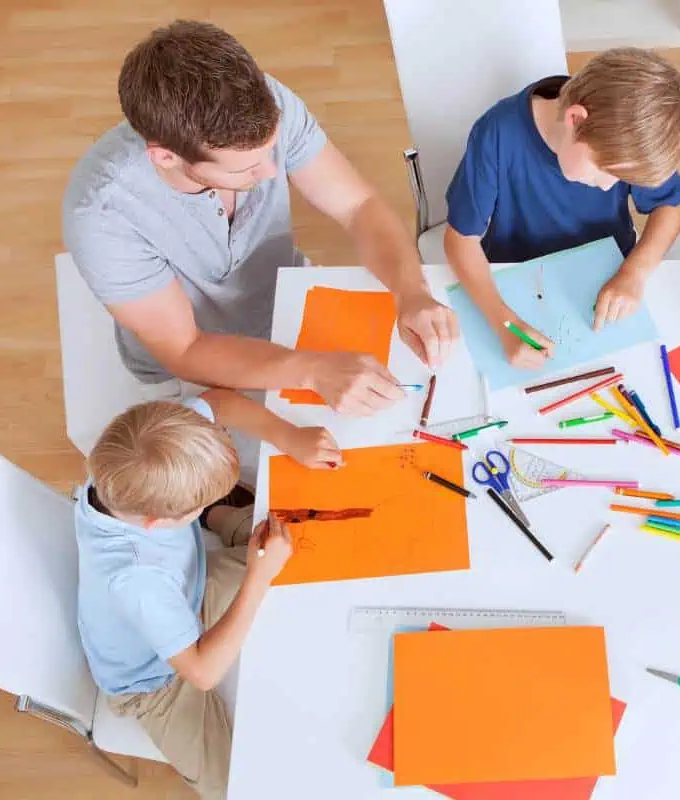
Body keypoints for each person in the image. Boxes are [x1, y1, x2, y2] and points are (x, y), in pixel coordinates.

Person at [63, 20, 459, 417]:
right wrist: (313, 371)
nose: (271, 173)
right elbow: (186, 348)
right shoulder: (103, 213)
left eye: (271, 150)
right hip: (195, 364)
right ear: (166, 156)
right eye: (243, 169)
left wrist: (412, 291)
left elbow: (358, 206)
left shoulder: (270, 103)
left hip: (288, 297)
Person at [76, 390, 340, 798]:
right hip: (156, 682)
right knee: (238, 786)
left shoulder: (127, 459)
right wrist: (257, 577)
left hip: (189, 586)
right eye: (198, 507)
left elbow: (218, 402)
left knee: (307, 549)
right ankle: (228, 524)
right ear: (155, 521)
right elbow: (202, 673)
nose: (197, 509)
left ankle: (223, 520)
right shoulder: (136, 578)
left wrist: (286, 435)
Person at [444, 48, 680, 369]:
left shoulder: (627, 136)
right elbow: (459, 240)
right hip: (514, 283)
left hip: (604, 282)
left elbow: (673, 205)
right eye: (608, 171)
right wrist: (505, 325)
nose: (609, 186)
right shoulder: (496, 134)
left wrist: (636, 271)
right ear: (575, 120)